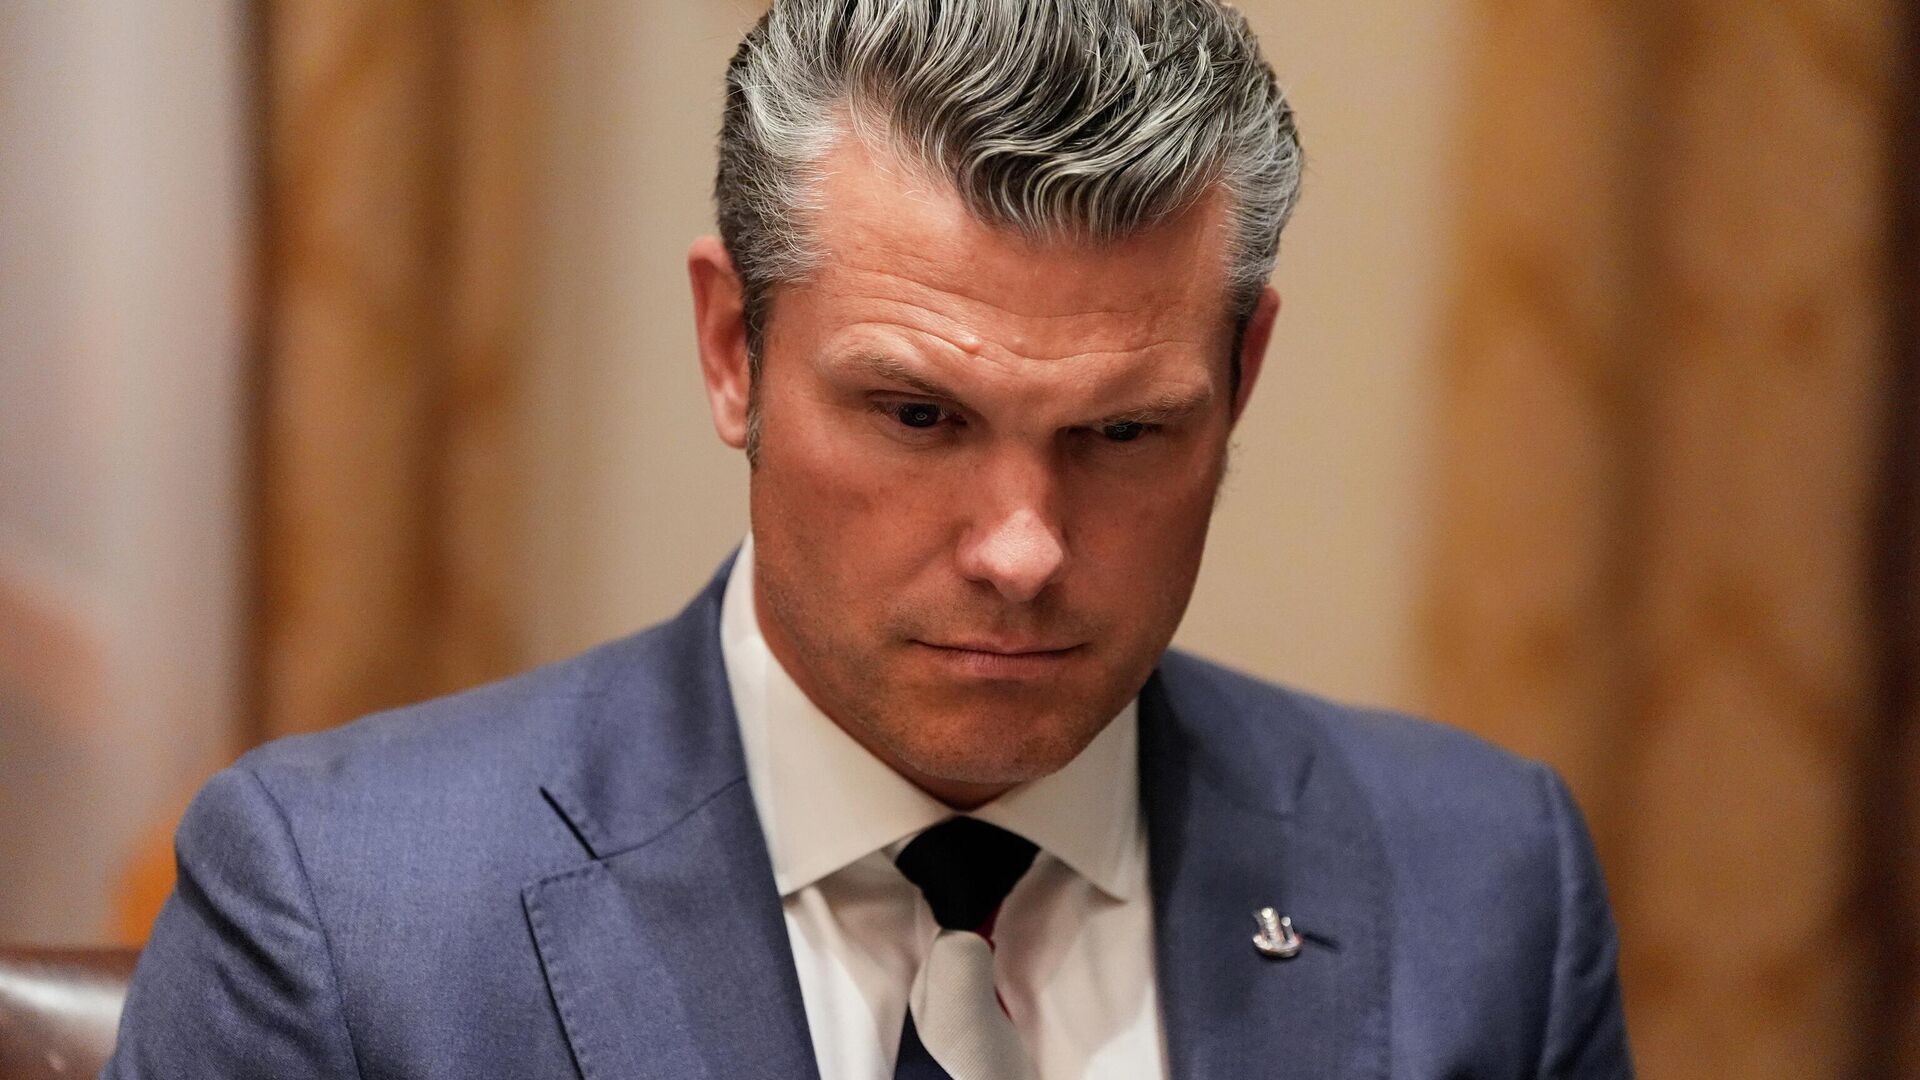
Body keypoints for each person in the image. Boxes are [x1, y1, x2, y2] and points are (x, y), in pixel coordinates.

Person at [107, 1, 1633, 1077]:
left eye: (1123, 435)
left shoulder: (1485, 888)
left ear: (1241, 380)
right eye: (917, 416)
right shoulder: (345, 912)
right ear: (733, 349)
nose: (1022, 550)